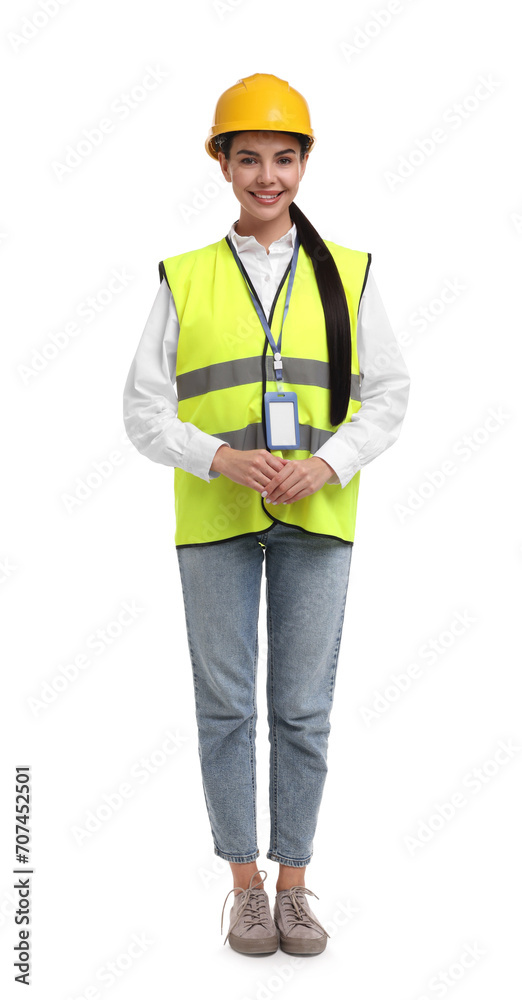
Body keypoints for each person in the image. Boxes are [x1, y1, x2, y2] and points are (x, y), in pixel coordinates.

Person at [122, 72, 410, 957]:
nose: (267, 175)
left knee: (300, 708)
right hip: (214, 518)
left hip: (316, 519)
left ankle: (295, 883)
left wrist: (326, 461)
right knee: (227, 705)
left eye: (284, 157)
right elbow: (143, 410)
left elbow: (389, 396)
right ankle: (242, 885)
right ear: (222, 166)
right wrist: (219, 456)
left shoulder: (349, 275)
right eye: (248, 157)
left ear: (304, 162)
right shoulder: (187, 276)